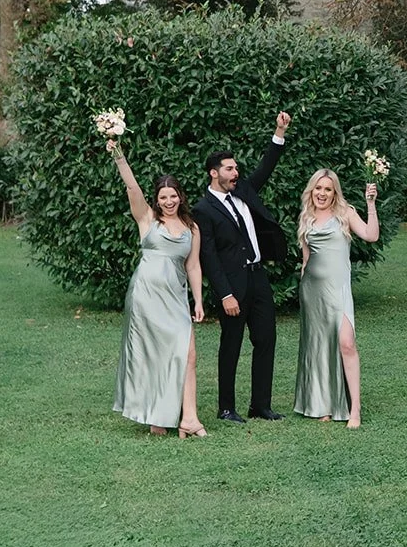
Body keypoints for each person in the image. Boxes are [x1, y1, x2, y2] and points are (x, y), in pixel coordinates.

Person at [193, 111, 291, 424]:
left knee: (266, 339)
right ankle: (226, 408)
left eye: (236, 167)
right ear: (214, 173)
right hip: (232, 286)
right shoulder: (202, 209)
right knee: (231, 345)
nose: (236, 172)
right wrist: (225, 294)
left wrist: (279, 131)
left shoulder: (243, 191)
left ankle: (260, 405)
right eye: (230, 168)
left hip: (258, 277)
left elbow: (267, 166)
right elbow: (208, 256)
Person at [109, 143, 207, 438]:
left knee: (187, 354)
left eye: (173, 196)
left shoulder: (192, 228)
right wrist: (118, 155)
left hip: (175, 297)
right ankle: (157, 418)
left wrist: (198, 301)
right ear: (157, 199)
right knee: (153, 353)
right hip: (146, 295)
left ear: (180, 197)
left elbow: (193, 267)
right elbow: (131, 188)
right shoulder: (147, 219)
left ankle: (189, 418)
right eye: (163, 197)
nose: (168, 201)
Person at [293, 169, 379, 426]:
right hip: (312, 292)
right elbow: (306, 259)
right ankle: (324, 405)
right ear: (312, 190)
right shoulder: (306, 217)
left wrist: (370, 205)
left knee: (346, 343)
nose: (322, 193)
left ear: (334, 193)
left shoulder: (345, 214)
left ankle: (355, 410)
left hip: (338, 290)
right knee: (319, 347)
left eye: (328, 189)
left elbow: (371, 235)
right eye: (318, 188)